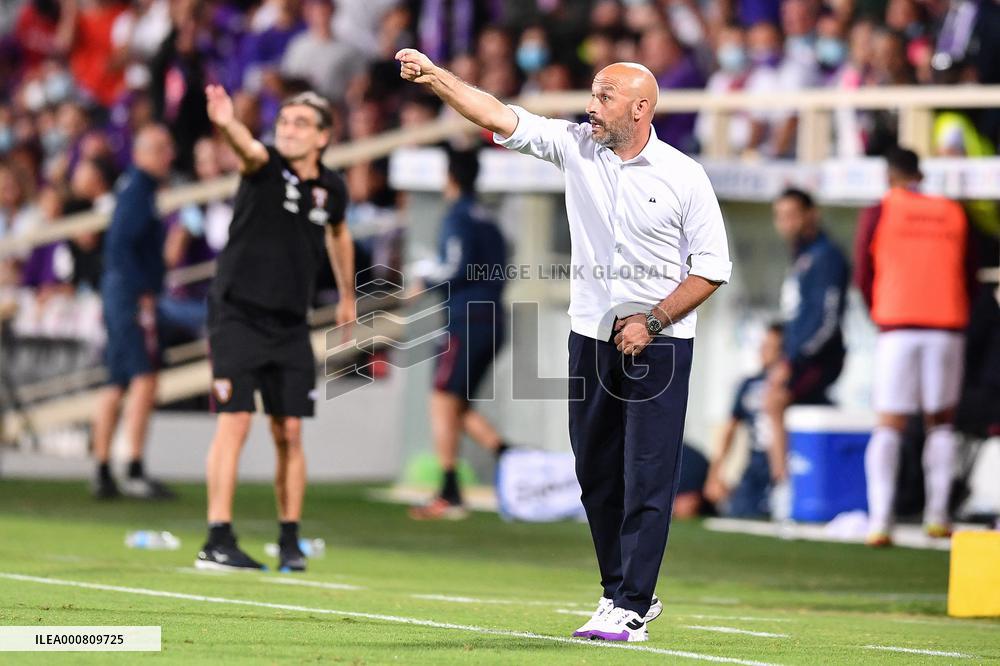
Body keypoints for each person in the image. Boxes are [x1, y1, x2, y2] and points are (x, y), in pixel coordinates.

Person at [396, 48, 731, 642]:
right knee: (595, 472)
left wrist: (651, 322)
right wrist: (437, 78)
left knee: (647, 474)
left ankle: (632, 602)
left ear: (641, 108)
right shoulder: (575, 145)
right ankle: (616, 593)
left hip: (660, 344)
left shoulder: (685, 176)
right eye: (592, 94)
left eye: (604, 97)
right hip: (591, 339)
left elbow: (710, 270)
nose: (590, 106)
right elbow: (495, 114)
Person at [197, 88, 355, 572]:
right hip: (237, 314)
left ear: (323, 136)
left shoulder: (332, 187)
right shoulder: (263, 166)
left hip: (290, 323)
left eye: (301, 122)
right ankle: (218, 538)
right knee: (236, 420)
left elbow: (338, 231)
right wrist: (226, 122)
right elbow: (247, 146)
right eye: (284, 120)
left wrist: (348, 295)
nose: (287, 127)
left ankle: (290, 541)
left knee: (289, 431)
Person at [854, 146, 972, 547]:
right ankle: (937, 518)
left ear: (889, 175)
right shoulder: (953, 210)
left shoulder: (882, 209)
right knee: (941, 422)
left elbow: (862, 271)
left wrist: (880, 308)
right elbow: (969, 271)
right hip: (946, 326)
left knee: (889, 423)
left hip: (898, 327)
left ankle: (880, 522)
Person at [407, 149, 510, 520]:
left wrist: (424, 281)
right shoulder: (490, 220)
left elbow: (456, 265)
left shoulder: (458, 216)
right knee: (457, 405)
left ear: (449, 177)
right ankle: (513, 459)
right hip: (494, 319)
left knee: (441, 398)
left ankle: (449, 491)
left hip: (466, 320)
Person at [91, 123, 176, 500]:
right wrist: (142, 289)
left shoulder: (134, 188)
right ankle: (134, 468)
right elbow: (121, 245)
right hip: (128, 296)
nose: (168, 156)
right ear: (142, 153)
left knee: (117, 382)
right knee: (144, 379)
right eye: (161, 148)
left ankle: (103, 467)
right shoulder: (139, 190)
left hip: (118, 294)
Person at [762, 188, 848, 491]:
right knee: (774, 399)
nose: (784, 223)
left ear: (811, 215)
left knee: (774, 400)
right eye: (779, 216)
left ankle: (783, 487)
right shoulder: (803, 255)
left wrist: (792, 360)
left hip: (818, 357)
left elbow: (826, 320)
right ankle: (795, 481)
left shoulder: (826, 256)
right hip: (798, 356)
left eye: (790, 215)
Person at [704, 323, 784, 518]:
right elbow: (730, 428)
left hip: (786, 469)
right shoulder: (748, 385)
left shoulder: (795, 385)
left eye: (771, 347)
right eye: (763, 346)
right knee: (739, 515)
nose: (764, 352)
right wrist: (715, 474)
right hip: (754, 469)